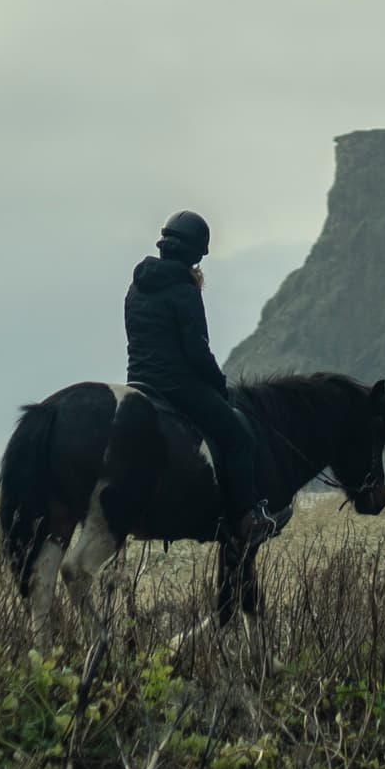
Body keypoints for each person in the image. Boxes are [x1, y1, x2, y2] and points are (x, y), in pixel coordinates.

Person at [126, 211, 276, 546]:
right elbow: (196, 351)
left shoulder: (136, 288)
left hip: (138, 382)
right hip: (178, 387)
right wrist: (219, 385)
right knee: (239, 435)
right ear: (196, 254)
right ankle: (246, 516)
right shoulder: (185, 291)